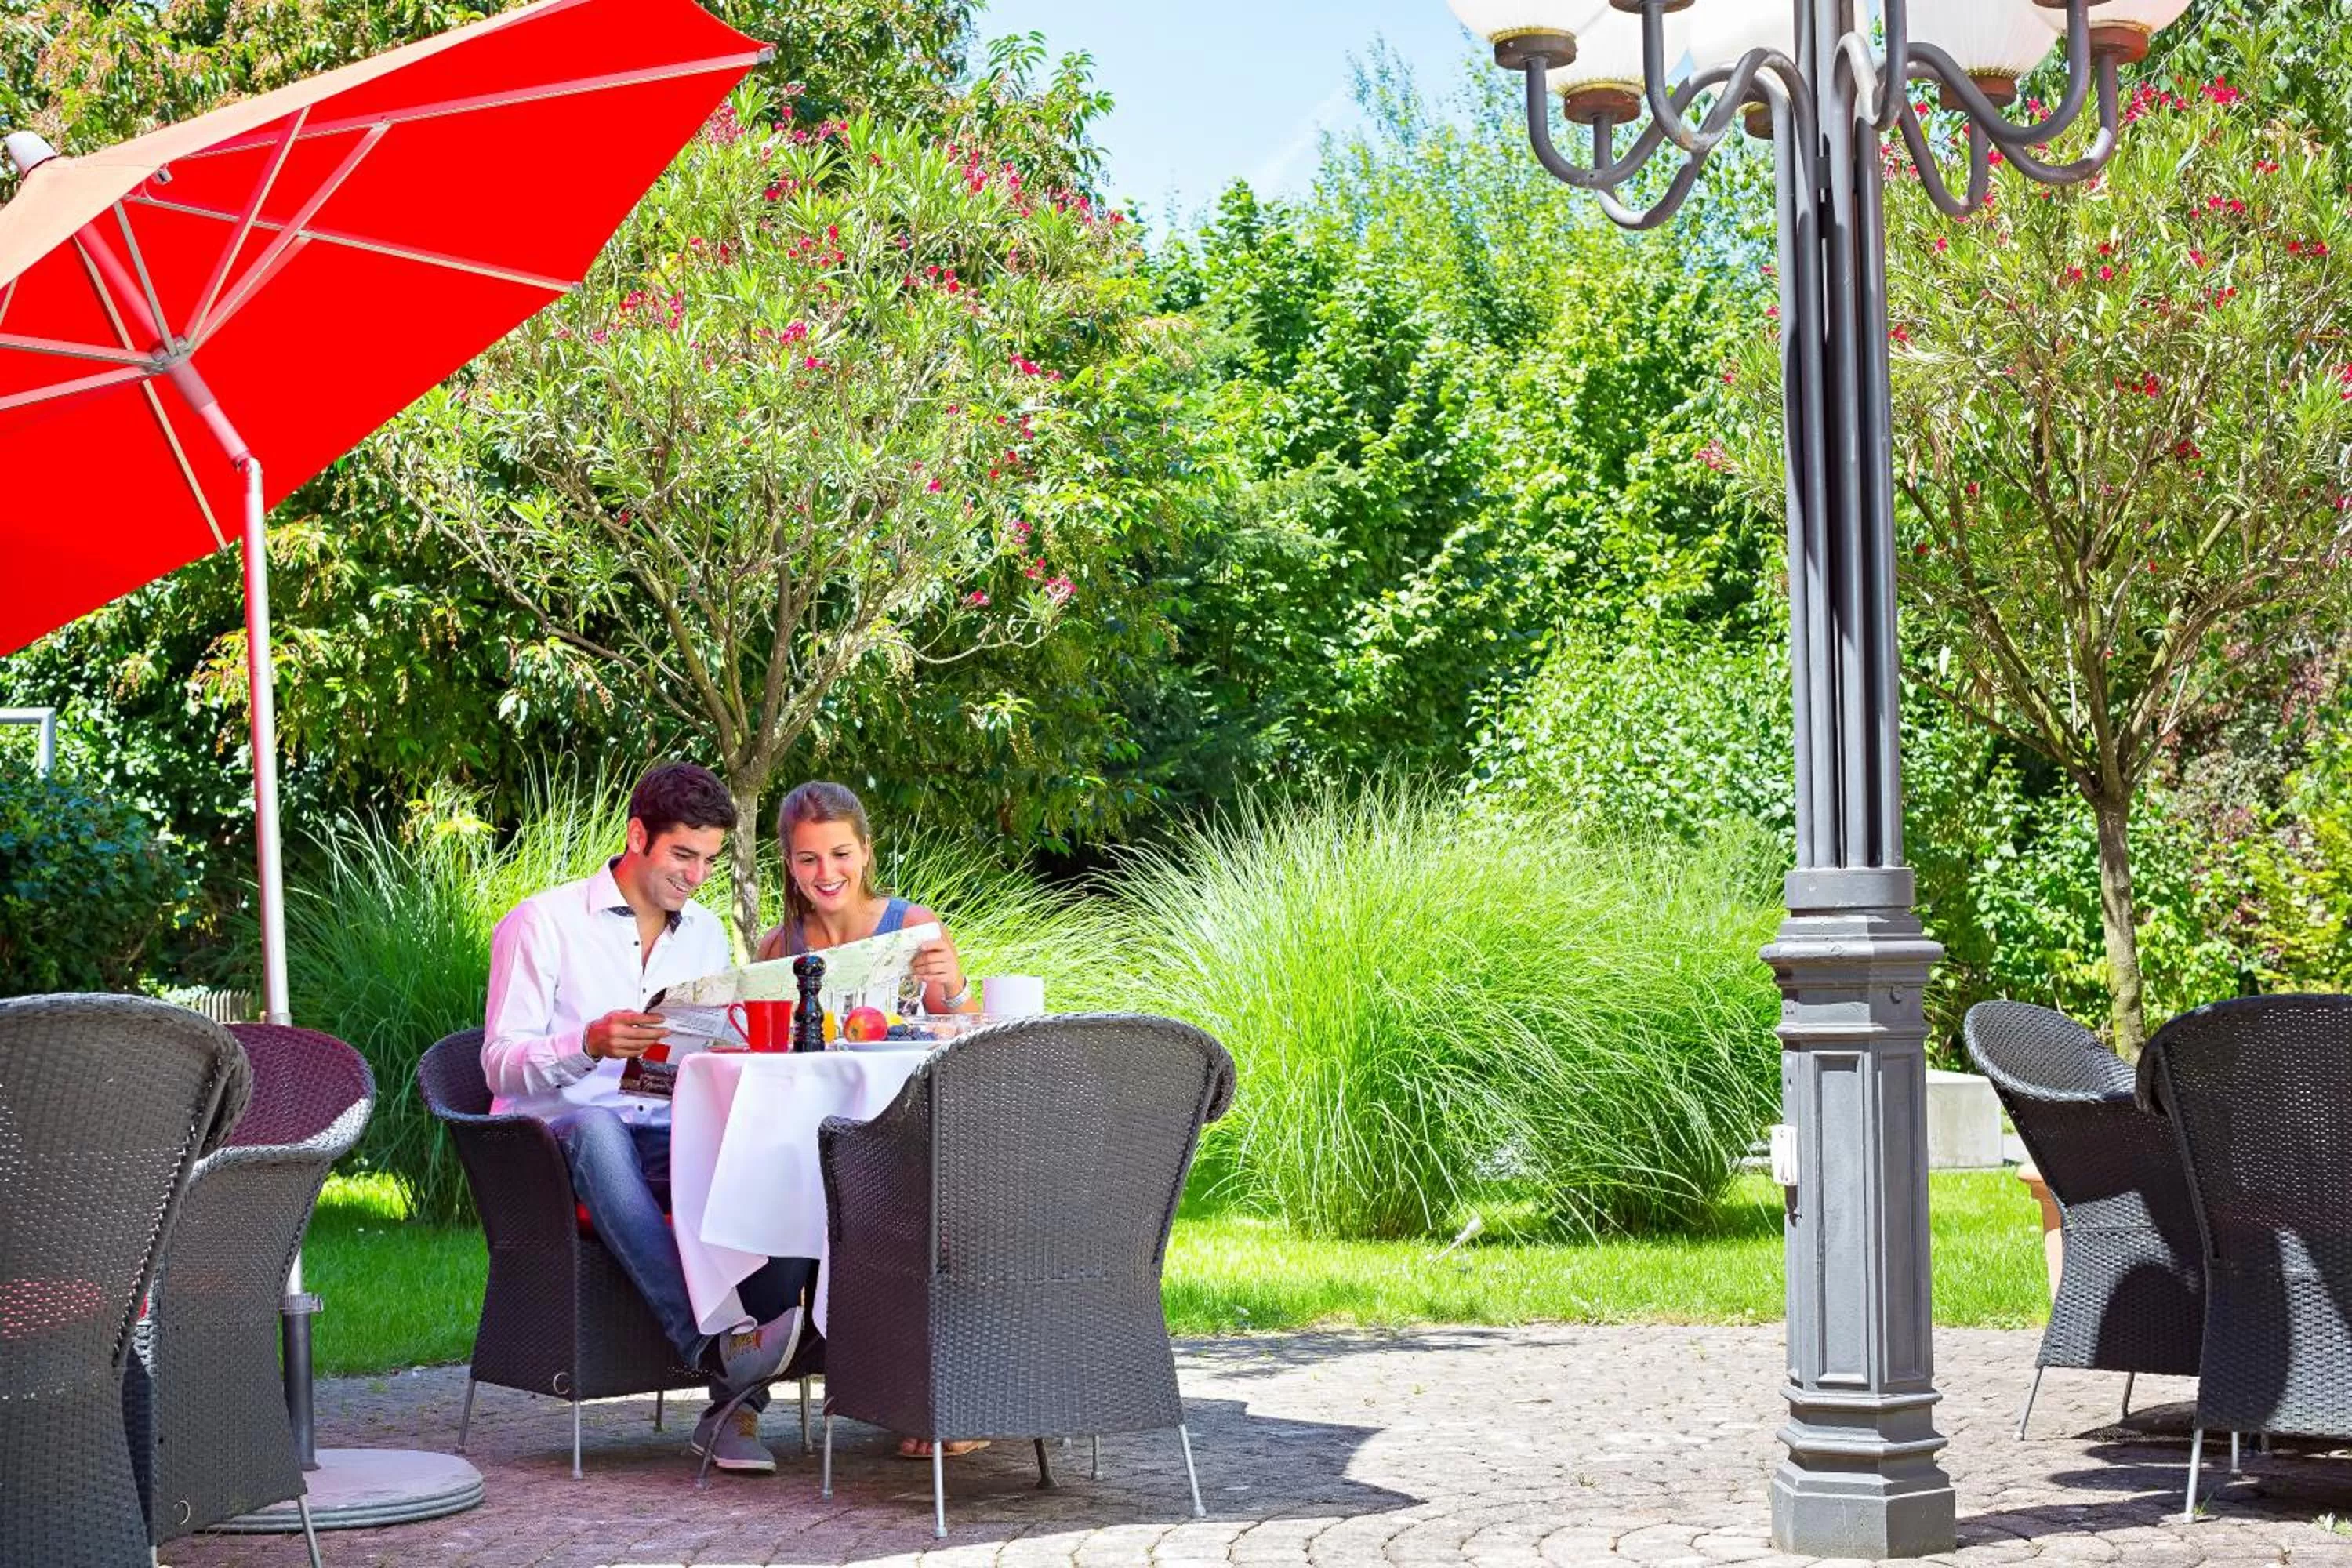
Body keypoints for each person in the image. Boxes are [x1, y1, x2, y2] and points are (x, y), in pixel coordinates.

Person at [482, 761, 811, 1475]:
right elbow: (497, 1064)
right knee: (600, 1133)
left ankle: (735, 1408)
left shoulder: (703, 939)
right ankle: (710, 1345)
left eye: (709, 861)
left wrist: (713, 1053)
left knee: (779, 1162)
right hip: (557, 1138)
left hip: (661, 1126)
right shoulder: (543, 925)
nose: (695, 877)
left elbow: (682, 1066)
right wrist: (586, 1044)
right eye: (682, 856)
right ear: (638, 836)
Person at [755, 779, 983, 1459]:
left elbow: (964, 1035)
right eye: (808, 859)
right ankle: (767, 1374)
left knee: (915, 1224)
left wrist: (955, 984)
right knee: (778, 1202)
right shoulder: (778, 947)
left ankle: (955, 1400)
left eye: (840, 854)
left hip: (910, 1131)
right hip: (815, 1136)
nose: (827, 873)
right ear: (788, 863)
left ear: (865, 852)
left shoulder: (912, 925)